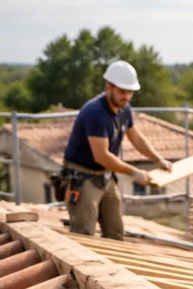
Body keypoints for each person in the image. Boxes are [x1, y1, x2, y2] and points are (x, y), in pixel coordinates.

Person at [61, 60, 172, 240]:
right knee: (83, 235)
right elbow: (102, 156)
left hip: (105, 176)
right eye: (122, 91)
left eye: (130, 92)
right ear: (109, 87)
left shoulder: (123, 109)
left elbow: (135, 137)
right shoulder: (95, 113)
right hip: (83, 177)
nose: (126, 97)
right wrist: (134, 172)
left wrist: (158, 159)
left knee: (115, 232)